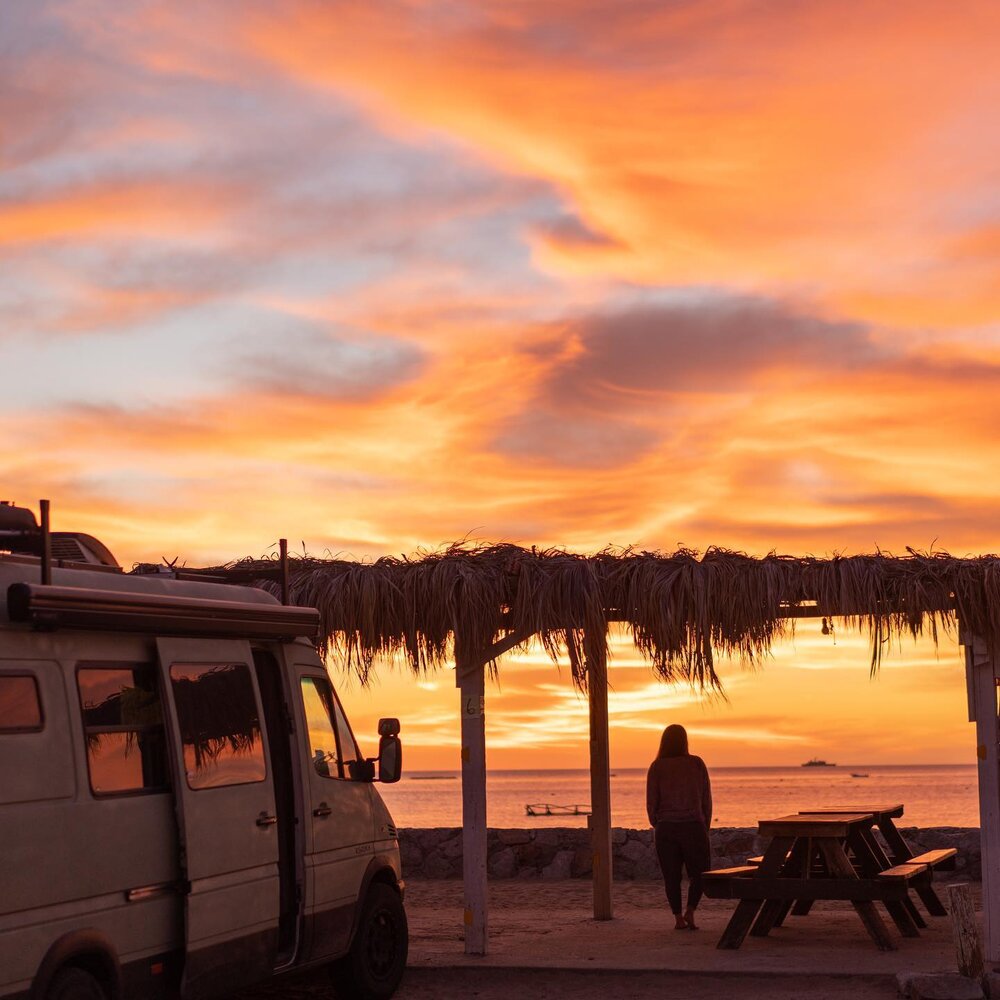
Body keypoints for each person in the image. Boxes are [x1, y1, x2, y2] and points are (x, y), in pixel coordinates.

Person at [646, 724, 712, 930]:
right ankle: (690, 911)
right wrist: (705, 825)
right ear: (685, 741)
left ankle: (678, 918)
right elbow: (706, 799)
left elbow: (651, 802)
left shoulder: (657, 767)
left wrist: (657, 823)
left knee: (671, 877)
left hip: (666, 828)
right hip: (693, 827)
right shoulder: (696, 763)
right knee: (700, 874)